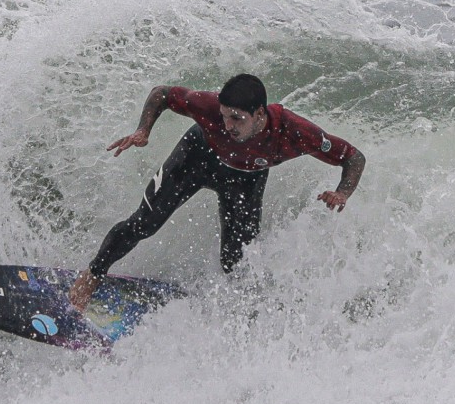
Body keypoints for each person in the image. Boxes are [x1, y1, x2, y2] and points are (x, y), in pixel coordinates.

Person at [69, 74, 365, 312]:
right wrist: (143, 130)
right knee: (144, 224)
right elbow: (162, 93)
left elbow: (353, 157)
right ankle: (93, 275)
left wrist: (342, 192)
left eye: (237, 118)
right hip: (195, 159)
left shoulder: (294, 132)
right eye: (224, 116)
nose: (228, 125)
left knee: (235, 261)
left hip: (245, 181)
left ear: (259, 114)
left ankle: (233, 312)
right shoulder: (208, 106)